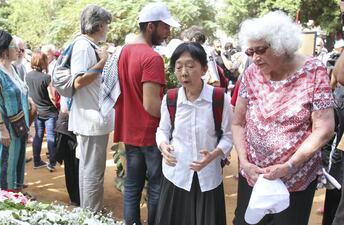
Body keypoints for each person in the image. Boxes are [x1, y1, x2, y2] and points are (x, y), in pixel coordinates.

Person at [231, 11, 334, 225]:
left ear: (281, 45)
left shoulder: (314, 71)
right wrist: (245, 161)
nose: (255, 58)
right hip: (253, 176)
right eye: (250, 52)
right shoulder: (251, 74)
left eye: (260, 50)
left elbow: (324, 129)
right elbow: (238, 122)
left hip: (295, 180)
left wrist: (289, 166)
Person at [114, 2, 180, 225]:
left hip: (129, 130)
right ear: (151, 26)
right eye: (165, 27)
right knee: (156, 186)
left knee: (132, 185)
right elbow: (151, 104)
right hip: (150, 133)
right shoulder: (151, 58)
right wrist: (174, 121)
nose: (168, 32)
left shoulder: (124, 51)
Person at [155, 42, 233, 225]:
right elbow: (162, 130)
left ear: (204, 69)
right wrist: (163, 145)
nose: (184, 72)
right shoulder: (171, 98)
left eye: (190, 66)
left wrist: (215, 154)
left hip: (208, 176)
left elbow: (229, 135)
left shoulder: (219, 98)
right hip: (176, 175)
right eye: (179, 66)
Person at [68, 5, 112, 212]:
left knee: (88, 169)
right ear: (99, 25)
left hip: (89, 118)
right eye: (106, 25)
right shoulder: (84, 46)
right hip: (91, 119)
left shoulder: (86, 44)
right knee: (93, 171)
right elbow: (78, 81)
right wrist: (103, 62)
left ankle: (89, 211)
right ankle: (92, 214)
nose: (107, 29)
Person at [0, 30, 35, 191]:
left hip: (19, 124)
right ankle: (6, 198)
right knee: (7, 163)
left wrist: (29, 100)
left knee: (18, 161)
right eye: (15, 46)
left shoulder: (12, 68)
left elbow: (19, 90)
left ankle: (17, 193)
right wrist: (2, 129)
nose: (18, 50)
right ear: (5, 49)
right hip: (6, 127)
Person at [25, 51, 58, 171]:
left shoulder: (27, 76)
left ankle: (37, 161)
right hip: (49, 111)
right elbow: (53, 95)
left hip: (36, 111)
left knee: (38, 136)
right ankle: (52, 163)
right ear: (43, 62)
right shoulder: (46, 77)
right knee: (51, 137)